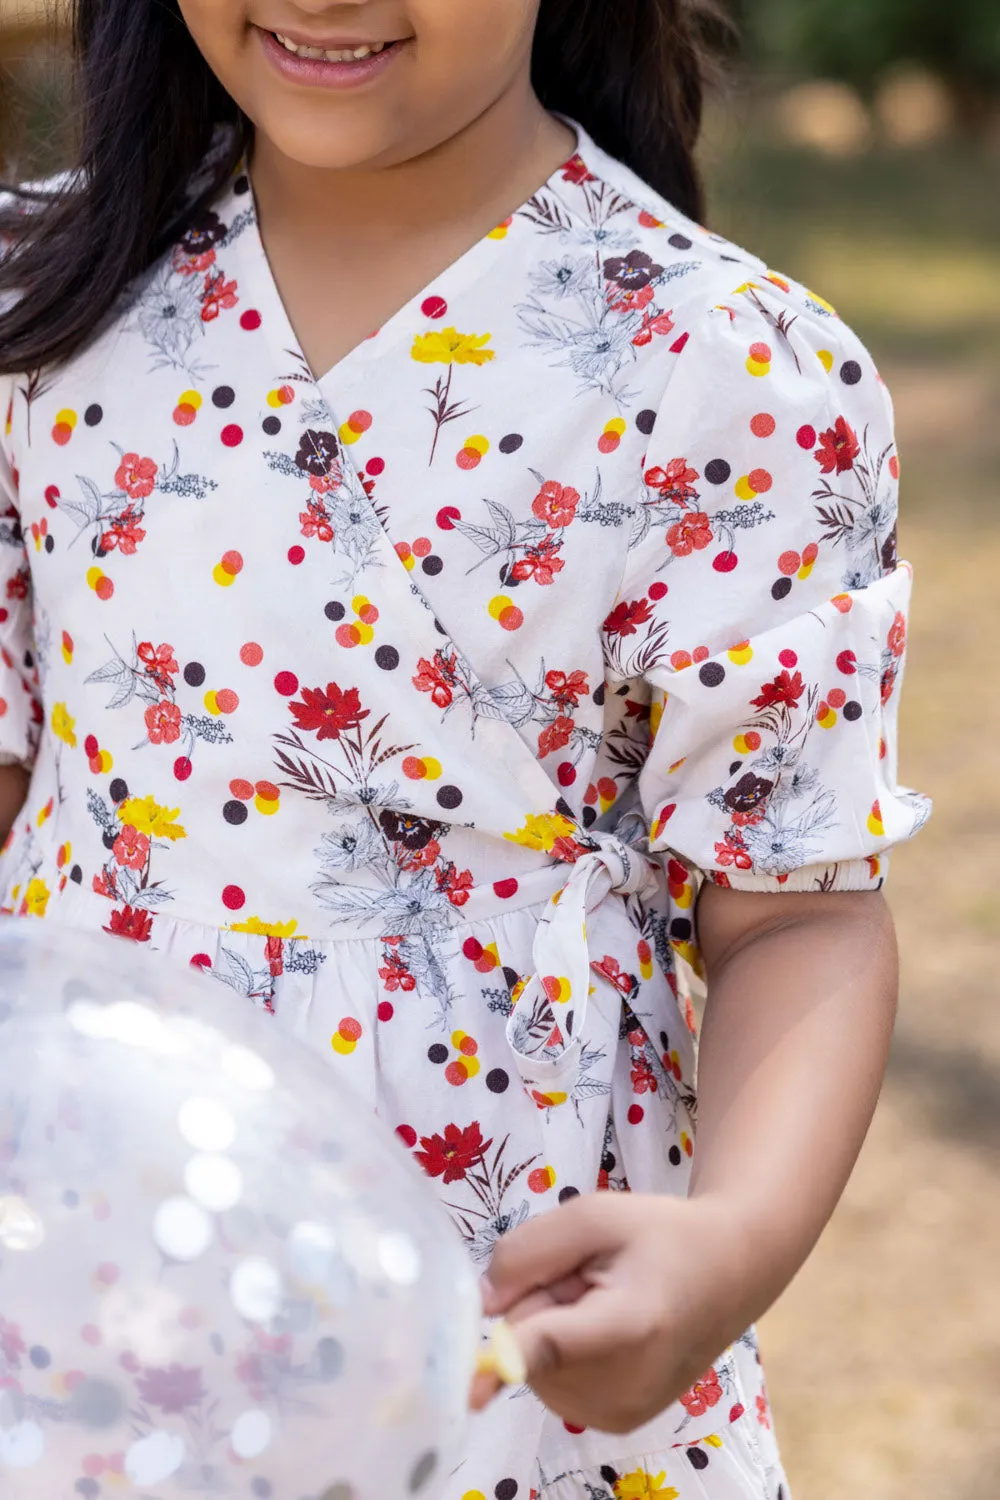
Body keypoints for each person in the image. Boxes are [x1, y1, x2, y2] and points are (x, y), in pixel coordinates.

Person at [0, 1, 929, 1495]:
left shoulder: (728, 368)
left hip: (509, 1311)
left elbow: (796, 912)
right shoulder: (38, 306)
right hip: (88, 1284)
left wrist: (729, 1245)